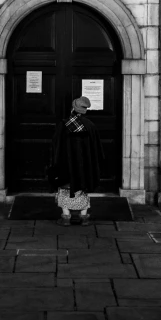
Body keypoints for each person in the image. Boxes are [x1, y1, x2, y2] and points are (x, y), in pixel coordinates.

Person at [51, 95, 104, 226]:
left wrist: (54, 162)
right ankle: (84, 217)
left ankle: (66, 217)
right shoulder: (90, 126)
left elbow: (55, 145)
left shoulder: (63, 125)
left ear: (72, 109)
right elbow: (97, 149)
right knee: (83, 188)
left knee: (65, 189)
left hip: (66, 165)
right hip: (84, 166)